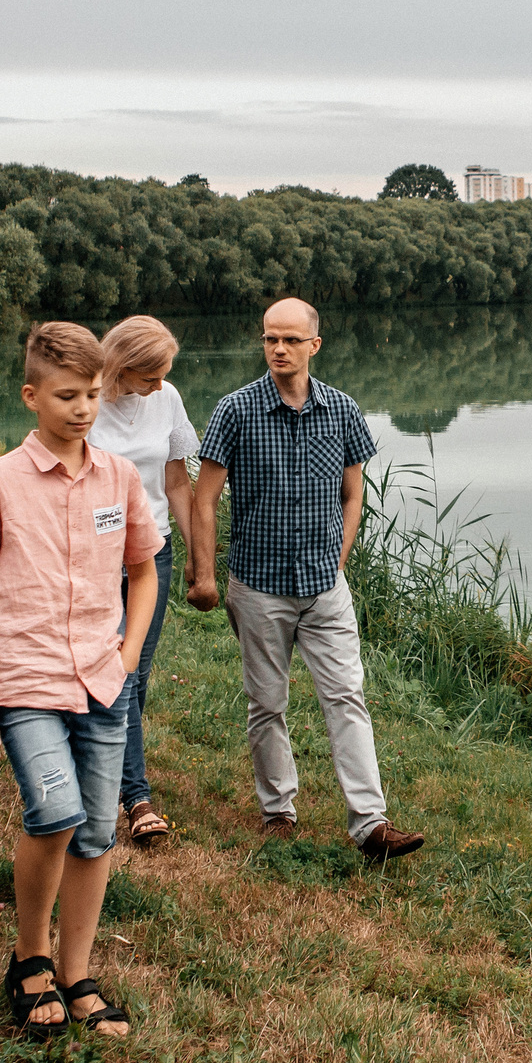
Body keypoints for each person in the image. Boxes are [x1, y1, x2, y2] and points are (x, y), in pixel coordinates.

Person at [0, 322, 161, 1039]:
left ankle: (77, 973)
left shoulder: (119, 477)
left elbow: (143, 567)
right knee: (54, 810)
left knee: (97, 833)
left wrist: (130, 650)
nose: (83, 408)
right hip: (26, 679)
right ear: (31, 395)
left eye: (94, 394)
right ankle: (29, 957)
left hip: (105, 681)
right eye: (67, 395)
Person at [190, 297, 425, 862]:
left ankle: (371, 824)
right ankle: (278, 812)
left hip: (325, 589)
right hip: (259, 586)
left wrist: (337, 563)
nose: (278, 349)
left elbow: (353, 494)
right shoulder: (236, 410)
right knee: (267, 703)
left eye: (291, 340)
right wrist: (205, 575)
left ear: (313, 346)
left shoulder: (342, 410)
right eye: (271, 338)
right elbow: (204, 499)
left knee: (346, 697)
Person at [88, 315, 204, 848]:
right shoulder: (86, 402)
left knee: (136, 671)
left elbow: (176, 481)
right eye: (148, 376)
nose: (158, 386)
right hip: (93, 559)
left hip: (150, 555)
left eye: (164, 375)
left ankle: (104, 763)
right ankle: (137, 798)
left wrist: (200, 556)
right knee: (120, 673)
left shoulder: (168, 398)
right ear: (119, 366)